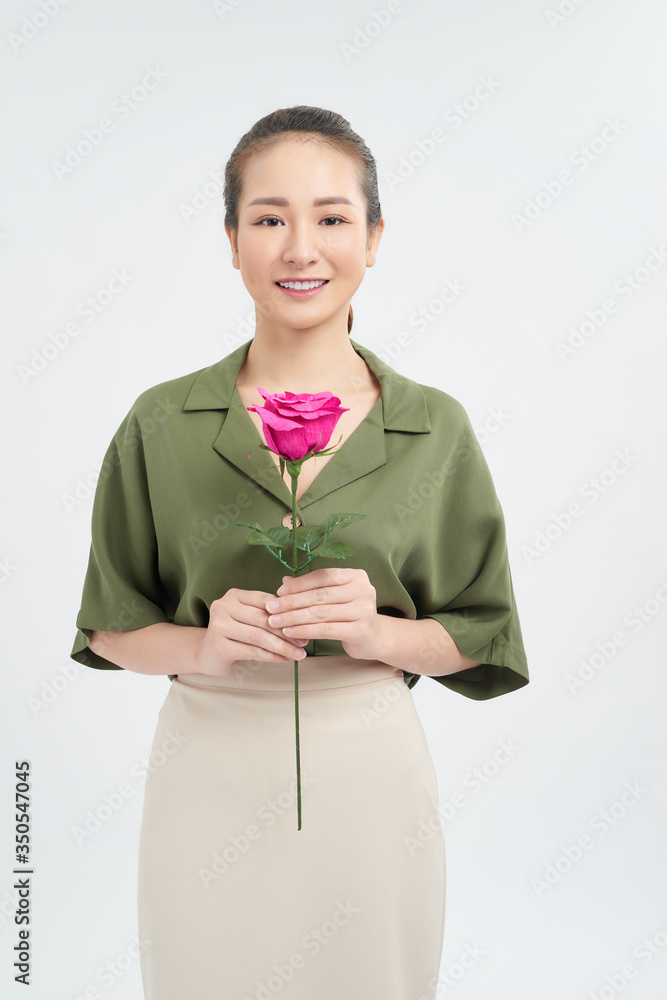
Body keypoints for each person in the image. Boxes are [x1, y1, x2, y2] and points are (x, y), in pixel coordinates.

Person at [70, 105, 529, 1000]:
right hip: (207, 769)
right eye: (269, 218)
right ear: (232, 239)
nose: (299, 248)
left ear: (374, 236)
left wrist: (382, 634)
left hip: (370, 775)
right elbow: (113, 623)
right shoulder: (160, 422)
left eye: (331, 217)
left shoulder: (432, 427)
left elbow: (483, 631)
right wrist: (202, 644)